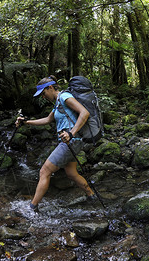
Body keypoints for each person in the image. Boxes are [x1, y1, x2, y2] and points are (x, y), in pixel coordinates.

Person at [15, 75, 96, 212]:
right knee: (71, 173)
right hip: (72, 143)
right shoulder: (59, 102)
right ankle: (91, 195)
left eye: (43, 93)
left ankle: (31, 208)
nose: (43, 97)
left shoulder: (64, 97)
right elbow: (47, 120)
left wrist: (71, 133)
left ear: (50, 87)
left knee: (44, 171)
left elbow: (84, 113)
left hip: (70, 142)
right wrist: (26, 122)